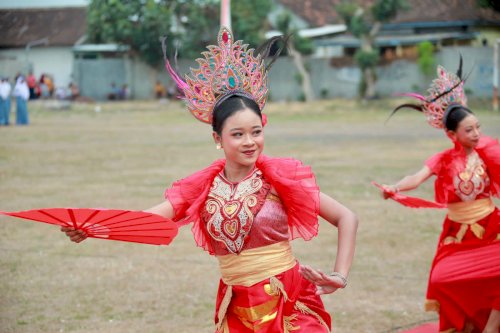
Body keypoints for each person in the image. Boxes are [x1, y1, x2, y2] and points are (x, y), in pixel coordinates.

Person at [62, 27, 358, 332]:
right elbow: (150, 219)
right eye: (238, 134)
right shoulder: (204, 186)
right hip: (236, 309)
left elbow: (346, 217)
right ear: (218, 138)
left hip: (289, 304)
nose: (250, 142)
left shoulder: (279, 179)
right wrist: (95, 227)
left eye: (256, 132)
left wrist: (340, 275)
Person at [377, 64, 500, 333]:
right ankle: (467, 325)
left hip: (492, 228)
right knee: (443, 280)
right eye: (469, 130)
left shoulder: (489, 153)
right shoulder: (443, 159)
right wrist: (395, 187)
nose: (476, 134)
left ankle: (492, 327)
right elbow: (416, 177)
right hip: (457, 233)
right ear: (452, 135)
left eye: (478, 127)